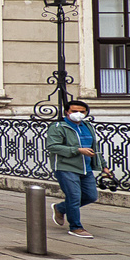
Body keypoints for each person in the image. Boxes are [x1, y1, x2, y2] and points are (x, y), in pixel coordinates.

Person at [47, 100, 103, 239]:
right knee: (74, 196)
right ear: (67, 112)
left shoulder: (87, 126)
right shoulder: (58, 126)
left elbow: (94, 148)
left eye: (82, 111)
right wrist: (77, 150)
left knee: (91, 196)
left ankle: (60, 208)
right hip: (66, 166)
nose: (78, 114)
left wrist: (104, 166)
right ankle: (76, 227)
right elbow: (53, 146)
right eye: (74, 111)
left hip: (86, 167)